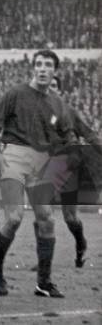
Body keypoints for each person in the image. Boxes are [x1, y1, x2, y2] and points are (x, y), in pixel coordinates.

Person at [0, 50, 73, 298]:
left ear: (55, 71)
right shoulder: (15, 93)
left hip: (41, 162)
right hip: (13, 155)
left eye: (48, 65)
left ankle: (43, 282)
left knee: (46, 217)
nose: (43, 69)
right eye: (39, 64)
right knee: (13, 218)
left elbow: (67, 137)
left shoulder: (57, 104)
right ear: (33, 68)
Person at [48, 76, 101, 268]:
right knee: (42, 212)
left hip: (68, 167)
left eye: (54, 86)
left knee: (69, 218)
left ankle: (81, 243)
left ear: (60, 91)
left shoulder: (69, 112)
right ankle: (44, 259)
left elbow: (89, 134)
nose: (50, 89)